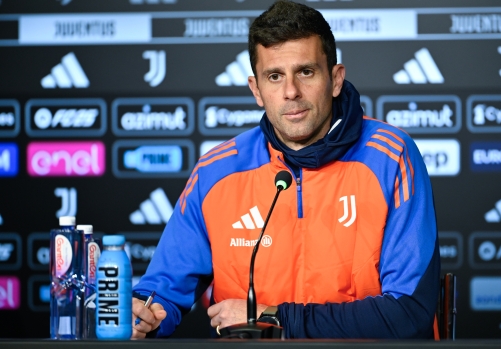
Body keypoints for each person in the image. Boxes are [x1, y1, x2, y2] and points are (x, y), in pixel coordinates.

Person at [132, 0, 439, 339]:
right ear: (256, 90)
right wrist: (146, 315)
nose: (291, 92)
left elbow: (408, 312)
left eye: (305, 72)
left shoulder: (391, 157)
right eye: (274, 77)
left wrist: (274, 319)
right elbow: (159, 294)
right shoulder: (216, 172)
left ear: (335, 79)